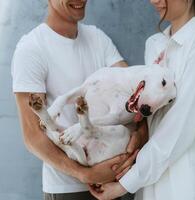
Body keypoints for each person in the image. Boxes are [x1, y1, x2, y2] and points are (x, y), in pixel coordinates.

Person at [88, 0, 195, 199]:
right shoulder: (155, 44)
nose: (154, 0)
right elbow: (152, 120)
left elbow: (180, 126)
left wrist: (126, 184)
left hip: (187, 184)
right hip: (152, 184)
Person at [11, 0, 148, 199]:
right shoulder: (32, 48)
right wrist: (85, 174)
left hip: (117, 186)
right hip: (68, 191)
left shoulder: (98, 38)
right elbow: (32, 136)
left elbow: (135, 93)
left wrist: (141, 136)